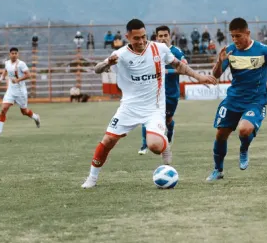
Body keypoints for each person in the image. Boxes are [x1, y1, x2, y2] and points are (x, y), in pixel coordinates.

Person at [81, 19, 217, 188]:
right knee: (108, 140)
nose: (141, 41)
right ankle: (92, 178)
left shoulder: (159, 48)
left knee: (154, 145)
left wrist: (199, 77)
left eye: (143, 37)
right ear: (128, 37)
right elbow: (97, 69)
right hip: (129, 107)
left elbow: (178, 65)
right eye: (136, 38)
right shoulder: (121, 54)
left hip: (154, 108)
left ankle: (164, 144)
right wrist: (108, 63)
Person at [206, 18, 267, 181]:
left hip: (255, 100)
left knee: (244, 129)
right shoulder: (230, 51)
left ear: (247, 33)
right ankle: (218, 170)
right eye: (232, 36)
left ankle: (244, 149)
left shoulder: (263, 50)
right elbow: (216, 75)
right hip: (233, 99)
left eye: (238, 36)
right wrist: (219, 61)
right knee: (220, 135)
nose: (235, 40)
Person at [138, 25, 188, 155]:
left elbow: (184, 67)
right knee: (147, 118)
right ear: (156, 37)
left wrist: (166, 71)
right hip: (153, 93)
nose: (163, 38)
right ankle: (145, 145)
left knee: (167, 120)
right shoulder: (151, 51)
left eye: (165, 35)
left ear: (169, 37)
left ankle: (170, 130)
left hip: (171, 94)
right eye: (160, 36)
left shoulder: (176, 51)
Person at [0, 47, 40, 138]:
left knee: (24, 112)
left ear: (18, 54)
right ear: (9, 54)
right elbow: (5, 71)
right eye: (12, 53)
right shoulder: (7, 63)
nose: (14, 55)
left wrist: (18, 80)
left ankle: (36, 117)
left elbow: (28, 75)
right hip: (10, 91)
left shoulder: (21, 64)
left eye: (15, 53)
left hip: (20, 92)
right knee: (3, 109)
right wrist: (0, 79)